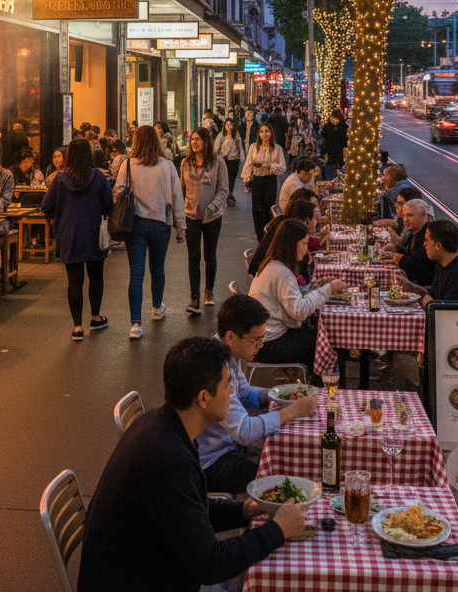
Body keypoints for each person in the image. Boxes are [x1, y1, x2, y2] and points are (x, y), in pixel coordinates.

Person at [77, 336, 303, 592]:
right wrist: (277, 530)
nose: (232, 393)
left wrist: (243, 510)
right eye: (228, 384)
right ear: (203, 398)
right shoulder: (169, 461)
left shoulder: (160, 423)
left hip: (149, 566)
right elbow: (211, 564)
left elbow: (189, 515)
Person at [198, 295, 318, 493]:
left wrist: (280, 396)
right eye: (255, 341)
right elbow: (244, 431)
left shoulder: (228, 353)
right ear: (230, 337)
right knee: (281, 480)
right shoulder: (215, 366)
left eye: (262, 339)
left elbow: (243, 393)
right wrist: (292, 412)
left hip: (229, 446)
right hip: (211, 462)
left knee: (287, 462)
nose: (260, 346)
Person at [112, 124, 186, 339]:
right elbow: (176, 197)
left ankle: (135, 324)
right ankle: (156, 307)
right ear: (156, 141)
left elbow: (117, 192)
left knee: (136, 274)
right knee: (157, 269)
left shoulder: (128, 165)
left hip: (135, 225)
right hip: (161, 225)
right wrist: (180, 226)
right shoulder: (168, 166)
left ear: (136, 142)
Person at [249, 219, 346, 375]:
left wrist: (316, 287)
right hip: (268, 343)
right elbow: (299, 311)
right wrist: (328, 289)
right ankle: (327, 390)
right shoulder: (280, 272)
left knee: (322, 336)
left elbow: (292, 298)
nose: (306, 249)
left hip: (266, 337)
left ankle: (318, 385)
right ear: (291, 244)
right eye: (303, 244)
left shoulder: (274, 265)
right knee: (330, 343)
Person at [42, 138, 114, 341]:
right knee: (96, 276)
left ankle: (77, 327)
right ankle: (96, 317)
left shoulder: (59, 179)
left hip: (68, 234)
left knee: (74, 281)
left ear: (69, 156)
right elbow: (109, 205)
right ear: (88, 154)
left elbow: (46, 206)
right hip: (93, 234)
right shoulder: (98, 177)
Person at [180, 127, 229, 314]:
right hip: (191, 216)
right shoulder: (185, 163)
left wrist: (212, 206)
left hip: (212, 217)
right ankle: (194, 298)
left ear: (206, 142)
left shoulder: (218, 163)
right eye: (192, 139)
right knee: (193, 257)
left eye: (198, 139)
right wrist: (181, 212)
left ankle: (209, 290)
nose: (194, 142)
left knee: (210, 255)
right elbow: (181, 190)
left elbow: (223, 189)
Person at [398, 219, 458, 307]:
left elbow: (449, 311)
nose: (424, 244)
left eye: (427, 240)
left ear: (438, 245)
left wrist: (429, 303)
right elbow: (435, 294)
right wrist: (411, 287)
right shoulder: (442, 263)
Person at [241, 123, 286, 240]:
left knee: (268, 208)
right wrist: (247, 179)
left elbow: (282, 167)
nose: (264, 134)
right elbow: (248, 164)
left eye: (267, 131)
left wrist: (270, 166)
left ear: (271, 133)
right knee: (256, 209)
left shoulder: (277, 148)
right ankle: (259, 236)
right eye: (262, 131)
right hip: (257, 180)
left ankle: (268, 235)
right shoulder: (253, 147)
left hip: (270, 180)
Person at [393, 198, 436, 287]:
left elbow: (413, 266)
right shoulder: (414, 233)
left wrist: (400, 259)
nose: (405, 219)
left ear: (424, 216)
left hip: (423, 287)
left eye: (410, 215)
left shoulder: (427, 235)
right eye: (404, 215)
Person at [213, 117, 244, 207]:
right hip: (224, 160)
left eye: (231, 124)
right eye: (227, 125)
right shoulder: (221, 135)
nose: (229, 126)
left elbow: (240, 148)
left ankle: (229, 194)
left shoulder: (236, 135)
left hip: (234, 160)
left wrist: (243, 161)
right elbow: (216, 147)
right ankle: (224, 195)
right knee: (224, 179)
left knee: (232, 178)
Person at [321, 111, 347, 181]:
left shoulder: (344, 128)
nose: (333, 120)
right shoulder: (327, 127)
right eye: (332, 118)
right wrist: (324, 153)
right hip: (329, 156)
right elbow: (323, 140)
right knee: (330, 178)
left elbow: (345, 142)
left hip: (340, 157)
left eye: (336, 118)